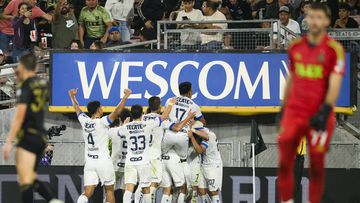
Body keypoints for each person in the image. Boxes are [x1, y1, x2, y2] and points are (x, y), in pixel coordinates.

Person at [277, 3, 345, 203]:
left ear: (326, 22)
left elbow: (334, 83)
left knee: (315, 164)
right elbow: (292, 77)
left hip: (319, 113)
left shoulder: (334, 50)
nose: (314, 21)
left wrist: (325, 110)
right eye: (311, 17)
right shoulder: (296, 47)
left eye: (318, 17)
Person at [2, 53, 62, 203]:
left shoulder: (25, 85)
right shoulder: (43, 84)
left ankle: (51, 199)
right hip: (40, 137)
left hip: (28, 136)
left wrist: (9, 141)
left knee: (25, 179)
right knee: (29, 175)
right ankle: (52, 199)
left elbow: (20, 114)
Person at [68, 87, 132, 203]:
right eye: (101, 107)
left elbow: (77, 108)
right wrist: (125, 97)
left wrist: (72, 97)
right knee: (109, 191)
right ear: (98, 110)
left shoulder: (85, 121)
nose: (102, 109)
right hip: (103, 161)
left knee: (87, 192)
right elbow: (117, 111)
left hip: (90, 162)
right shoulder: (102, 122)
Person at [188, 123, 223, 203]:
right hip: (204, 165)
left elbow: (200, 150)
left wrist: (192, 136)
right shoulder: (204, 134)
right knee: (201, 190)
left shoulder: (210, 136)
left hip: (213, 166)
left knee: (213, 191)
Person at [108, 108, 131, 201]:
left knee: (110, 191)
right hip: (127, 166)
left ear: (120, 119)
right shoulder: (133, 132)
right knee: (126, 191)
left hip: (114, 165)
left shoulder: (112, 131)